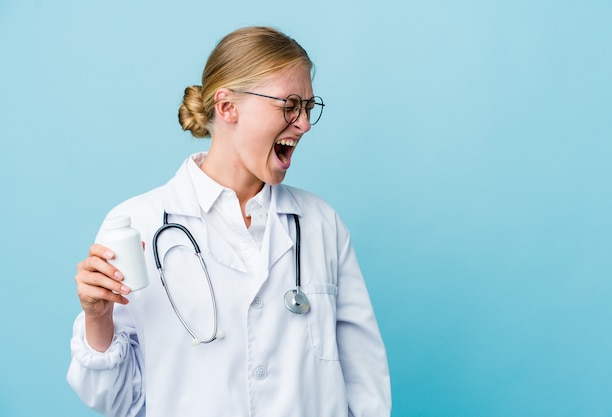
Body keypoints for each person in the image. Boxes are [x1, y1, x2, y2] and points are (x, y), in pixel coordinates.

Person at [67, 26, 391, 417]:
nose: (303, 123)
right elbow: (115, 400)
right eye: (290, 105)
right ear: (226, 107)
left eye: (308, 107)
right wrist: (98, 319)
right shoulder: (139, 224)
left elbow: (367, 385)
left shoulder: (321, 224)